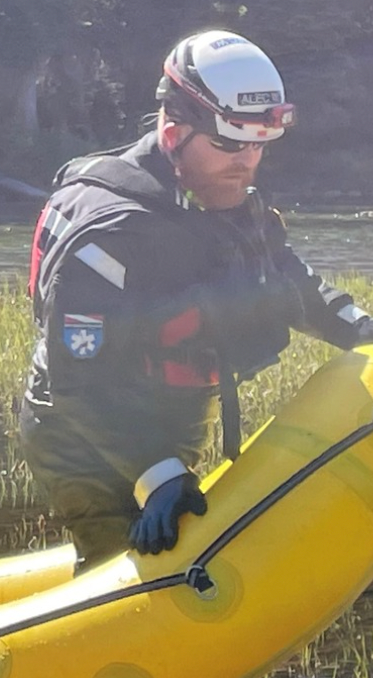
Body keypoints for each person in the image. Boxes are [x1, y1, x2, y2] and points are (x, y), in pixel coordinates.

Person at [21, 30, 373, 569]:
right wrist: (155, 473)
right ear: (173, 131)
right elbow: (78, 381)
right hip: (85, 436)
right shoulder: (111, 232)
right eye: (230, 144)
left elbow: (291, 284)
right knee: (130, 574)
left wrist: (361, 330)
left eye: (258, 144)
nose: (247, 160)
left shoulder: (227, 197)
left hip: (176, 416)